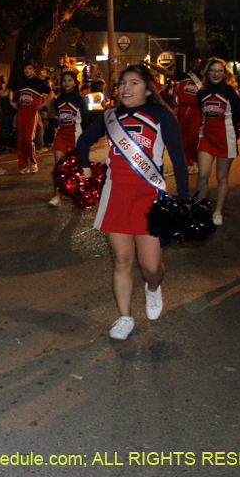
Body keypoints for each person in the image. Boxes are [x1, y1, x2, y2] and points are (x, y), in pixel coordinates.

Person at [76, 64, 189, 341]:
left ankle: (152, 288)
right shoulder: (110, 116)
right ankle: (125, 316)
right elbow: (83, 142)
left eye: (134, 83)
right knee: (122, 261)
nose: (126, 88)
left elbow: (179, 159)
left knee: (150, 266)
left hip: (150, 197)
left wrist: (184, 202)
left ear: (149, 88)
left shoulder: (161, 114)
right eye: (123, 83)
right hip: (116, 195)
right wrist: (86, 170)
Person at [195, 58, 240, 226]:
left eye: (219, 71)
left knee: (222, 177)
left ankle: (218, 211)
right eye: (213, 71)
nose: (216, 74)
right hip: (206, 136)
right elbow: (201, 111)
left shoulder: (230, 92)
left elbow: (237, 114)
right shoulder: (202, 92)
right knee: (202, 175)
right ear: (207, 73)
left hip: (226, 138)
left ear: (225, 73)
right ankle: (200, 209)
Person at [148, 57, 204, 174]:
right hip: (182, 108)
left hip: (196, 109)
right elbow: (165, 72)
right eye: (193, 62)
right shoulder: (183, 76)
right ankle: (187, 162)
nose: (194, 64)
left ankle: (196, 160)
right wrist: (150, 64)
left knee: (194, 136)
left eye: (197, 63)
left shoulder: (204, 78)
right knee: (183, 136)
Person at [48, 70, 86, 207]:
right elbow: (54, 118)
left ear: (75, 83)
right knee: (59, 166)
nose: (66, 83)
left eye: (70, 80)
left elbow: (86, 119)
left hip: (75, 135)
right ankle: (56, 196)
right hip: (61, 135)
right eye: (64, 80)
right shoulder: (58, 100)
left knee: (75, 167)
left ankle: (79, 193)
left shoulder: (80, 100)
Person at [10, 61, 53, 173]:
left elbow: (52, 93)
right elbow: (9, 90)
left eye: (29, 68)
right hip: (21, 112)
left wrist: (44, 104)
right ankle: (23, 165)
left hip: (32, 112)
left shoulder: (39, 83)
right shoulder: (19, 81)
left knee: (28, 139)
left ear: (34, 70)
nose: (27, 70)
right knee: (20, 141)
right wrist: (11, 101)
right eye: (25, 68)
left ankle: (33, 162)